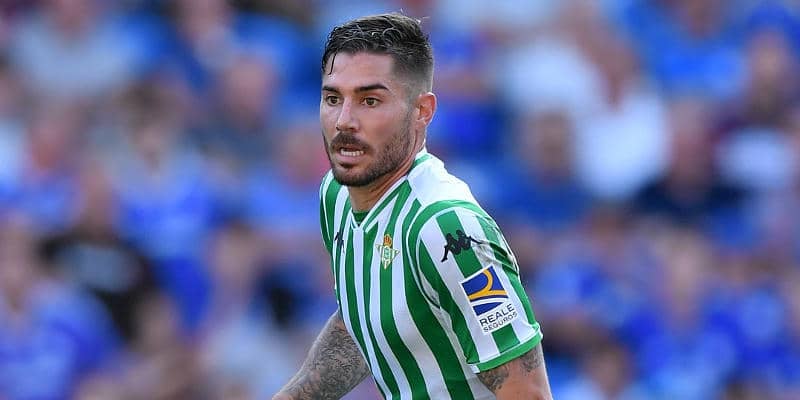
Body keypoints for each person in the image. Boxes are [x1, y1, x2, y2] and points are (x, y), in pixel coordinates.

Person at [273, 12, 552, 400]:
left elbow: (528, 392)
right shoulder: (336, 195)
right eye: (333, 99)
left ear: (422, 111)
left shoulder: (446, 229)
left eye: (370, 101)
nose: (344, 121)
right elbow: (366, 322)